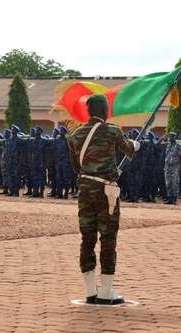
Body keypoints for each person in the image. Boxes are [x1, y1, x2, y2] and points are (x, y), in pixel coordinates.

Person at [67, 94, 140, 305]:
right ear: (105, 111)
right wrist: (136, 145)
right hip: (106, 190)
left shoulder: (75, 134)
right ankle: (106, 290)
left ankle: (90, 290)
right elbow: (128, 149)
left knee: (87, 237)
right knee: (108, 238)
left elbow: (75, 166)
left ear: (89, 111)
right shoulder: (112, 130)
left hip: (84, 189)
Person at [163, 132, 181, 205]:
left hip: (175, 166)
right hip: (167, 166)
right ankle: (169, 198)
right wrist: (162, 138)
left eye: (172, 136)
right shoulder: (168, 144)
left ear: (175, 137)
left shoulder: (178, 145)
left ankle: (174, 198)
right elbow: (157, 145)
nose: (170, 138)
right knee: (168, 183)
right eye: (170, 136)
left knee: (174, 182)